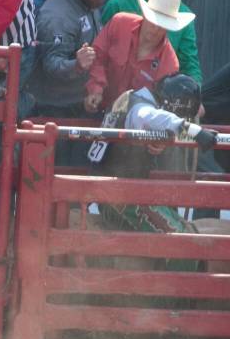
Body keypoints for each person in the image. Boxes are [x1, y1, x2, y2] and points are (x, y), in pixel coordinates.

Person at [91, 74, 221, 236]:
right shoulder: (141, 108)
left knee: (180, 227)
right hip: (121, 199)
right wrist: (191, 129)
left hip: (122, 194)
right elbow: (149, 116)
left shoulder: (132, 99)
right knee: (178, 236)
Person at [31, 0, 125, 121]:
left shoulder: (88, 2)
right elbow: (51, 65)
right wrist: (77, 65)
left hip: (79, 105)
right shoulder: (57, 16)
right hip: (56, 111)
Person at [84, 0, 188, 113]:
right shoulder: (119, 23)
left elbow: (158, 105)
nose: (155, 28)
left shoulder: (170, 65)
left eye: (162, 25)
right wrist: (95, 89)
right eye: (153, 20)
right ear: (144, 14)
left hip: (134, 122)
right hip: (97, 109)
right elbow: (98, 56)